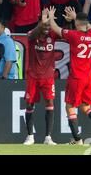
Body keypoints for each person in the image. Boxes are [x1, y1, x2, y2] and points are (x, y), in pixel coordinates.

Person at [47, 6, 91, 145]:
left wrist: (51, 16)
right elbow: (88, 25)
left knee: (69, 106)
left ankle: (77, 140)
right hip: (90, 77)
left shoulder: (73, 35)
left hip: (77, 77)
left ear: (76, 23)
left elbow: (55, 29)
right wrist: (76, 16)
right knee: (85, 107)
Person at [23, 9, 57, 146]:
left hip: (48, 76)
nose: (47, 28)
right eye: (45, 25)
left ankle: (48, 137)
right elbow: (30, 37)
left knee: (49, 102)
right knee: (29, 104)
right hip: (33, 76)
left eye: (48, 25)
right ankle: (30, 136)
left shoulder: (53, 35)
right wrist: (41, 24)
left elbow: (65, 33)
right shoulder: (33, 34)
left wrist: (55, 21)